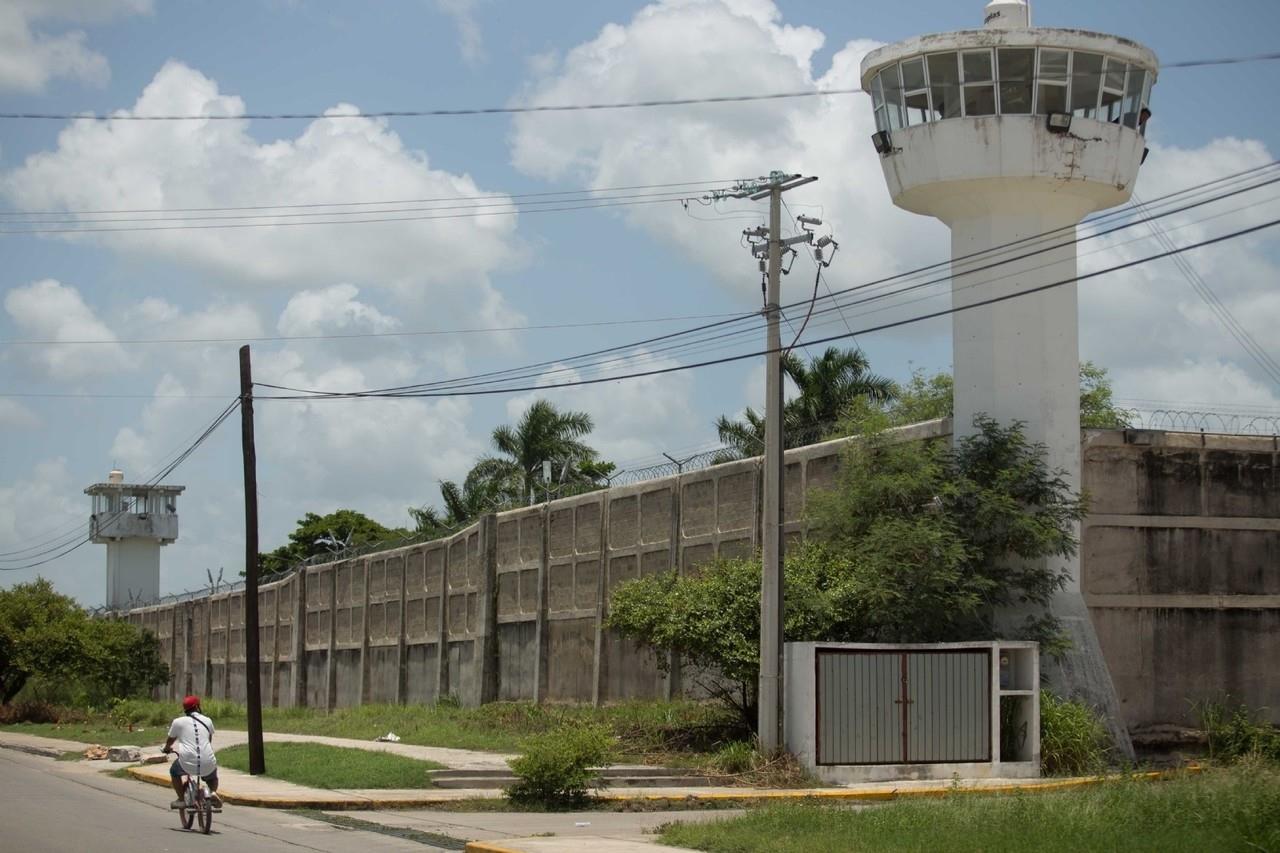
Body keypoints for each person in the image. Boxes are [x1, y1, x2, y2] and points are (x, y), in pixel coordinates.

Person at [163, 695, 221, 809]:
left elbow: (170, 740)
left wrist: (166, 748)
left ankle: (181, 800)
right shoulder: (208, 720)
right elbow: (208, 741)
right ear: (197, 706)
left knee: (174, 771)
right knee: (212, 776)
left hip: (187, 762)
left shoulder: (178, 722)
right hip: (207, 761)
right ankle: (213, 792)